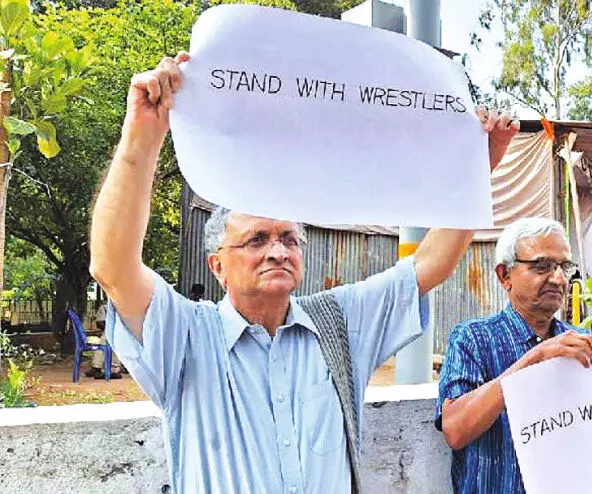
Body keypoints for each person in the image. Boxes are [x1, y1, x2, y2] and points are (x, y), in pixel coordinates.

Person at [89, 52, 519, 494]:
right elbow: (112, 266)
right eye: (257, 240)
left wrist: (476, 169)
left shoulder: (338, 323)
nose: (277, 251)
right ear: (217, 265)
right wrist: (142, 132)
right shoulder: (185, 335)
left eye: (289, 239)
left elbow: (430, 264)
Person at [436, 218, 592, 493]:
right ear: (505, 276)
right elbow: (455, 430)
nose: (559, 279)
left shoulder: (584, 343)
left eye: (564, 267)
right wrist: (534, 359)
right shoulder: (473, 339)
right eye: (542, 267)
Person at [85, 298, 122, 379]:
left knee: (107, 339)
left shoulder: (123, 308)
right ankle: (113, 369)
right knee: (108, 338)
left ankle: (97, 367)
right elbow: (100, 324)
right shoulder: (105, 308)